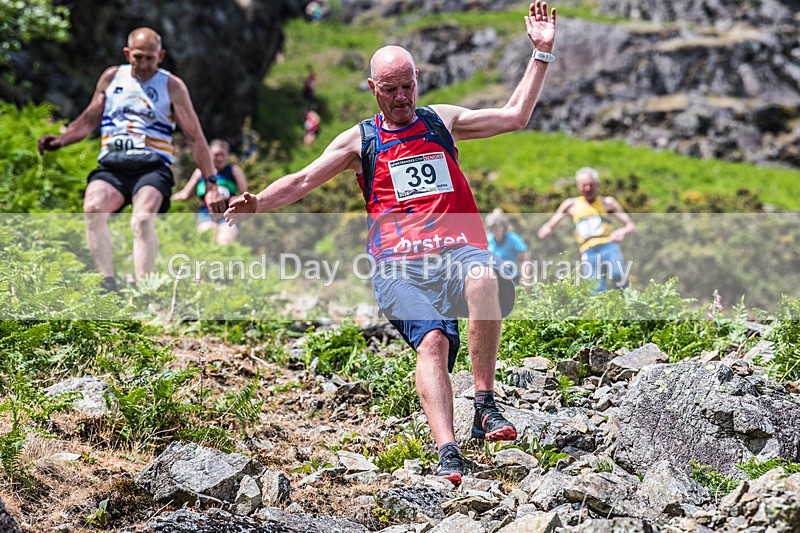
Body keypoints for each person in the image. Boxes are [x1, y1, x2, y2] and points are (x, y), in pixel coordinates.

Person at [226, 2, 557, 487]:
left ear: (417, 82)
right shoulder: (359, 142)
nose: (401, 97)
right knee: (433, 342)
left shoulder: (440, 122)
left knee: (484, 273)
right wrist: (259, 202)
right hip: (398, 267)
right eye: (391, 89)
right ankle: (449, 451)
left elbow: (515, 116)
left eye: (408, 86)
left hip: (456, 253)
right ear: (373, 89)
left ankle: (485, 406)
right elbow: (300, 180)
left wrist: (541, 54)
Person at [37, 27, 226, 291]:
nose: (144, 64)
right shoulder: (112, 77)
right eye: (138, 57)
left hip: (152, 168)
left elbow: (195, 138)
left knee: (142, 219)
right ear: (127, 53)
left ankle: (143, 290)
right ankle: (107, 284)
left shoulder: (172, 86)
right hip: (113, 165)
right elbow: (89, 119)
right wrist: (61, 140)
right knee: (92, 207)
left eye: (150, 58)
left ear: (160, 56)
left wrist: (212, 184)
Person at [537, 166, 635, 292]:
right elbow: (551, 223)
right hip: (588, 251)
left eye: (591, 185)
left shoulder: (607, 203)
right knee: (595, 289)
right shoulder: (571, 205)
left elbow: (631, 226)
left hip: (608, 246)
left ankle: (629, 301)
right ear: (578, 186)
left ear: (597, 185)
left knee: (618, 275)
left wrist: (622, 231)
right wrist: (546, 229)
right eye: (584, 185)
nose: (587, 188)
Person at [172, 139, 248, 245]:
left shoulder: (233, 170)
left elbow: (244, 193)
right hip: (205, 214)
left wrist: (237, 200)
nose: (220, 158)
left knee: (224, 242)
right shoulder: (200, 172)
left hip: (229, 215)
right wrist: (167, 199)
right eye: (216, 154)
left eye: (222, 154)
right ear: (209, 155)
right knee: (207, 239)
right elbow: (185, 194)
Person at [485, 208, 529, 284]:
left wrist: (525, 278)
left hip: (511, 279)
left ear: (503, 226)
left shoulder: (513, 238)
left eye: (498, 228)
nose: (496, 231)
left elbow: (525, 260)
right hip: (491, 279)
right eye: (493, 228)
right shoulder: (487, 239)